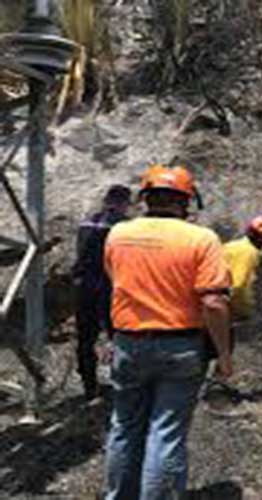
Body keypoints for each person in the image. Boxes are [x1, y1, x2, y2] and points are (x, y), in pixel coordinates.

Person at [103, 164, 233, 500]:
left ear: (145, 197)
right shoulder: (201, 239)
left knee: (124, 427)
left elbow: (115, 284)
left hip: (128, 343)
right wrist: (225, 355)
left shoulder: (118, 234)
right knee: (166, 433)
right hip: (180, 345)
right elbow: (215, 303)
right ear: (187, 200)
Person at [71, 184, 131, 401]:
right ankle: (121, 385)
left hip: (84, 286)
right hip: (109, 285)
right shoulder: (124, 226)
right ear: (124, 203)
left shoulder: (86, 222)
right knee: (119, 336)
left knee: (85, 339)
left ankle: (89, 387)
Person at [222, 213, 262, 385]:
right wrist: (244, 311)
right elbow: (238, 287)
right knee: (224, 348)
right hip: (222, 307)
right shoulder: (249, 253)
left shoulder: (231, 246)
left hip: (206, 303)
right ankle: (218, 388)